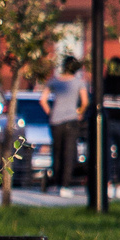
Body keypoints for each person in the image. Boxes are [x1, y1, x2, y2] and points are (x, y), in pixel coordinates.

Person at [45, 57, 87, 190]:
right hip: (71, 120)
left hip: (55, 121)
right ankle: (65, 184)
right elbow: (85, 102)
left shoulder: (54, 81)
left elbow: (43, 99)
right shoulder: (79, 82)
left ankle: (56, 182)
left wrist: (50, 112)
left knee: (57, 152)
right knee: (69, 153)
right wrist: (80, 112)